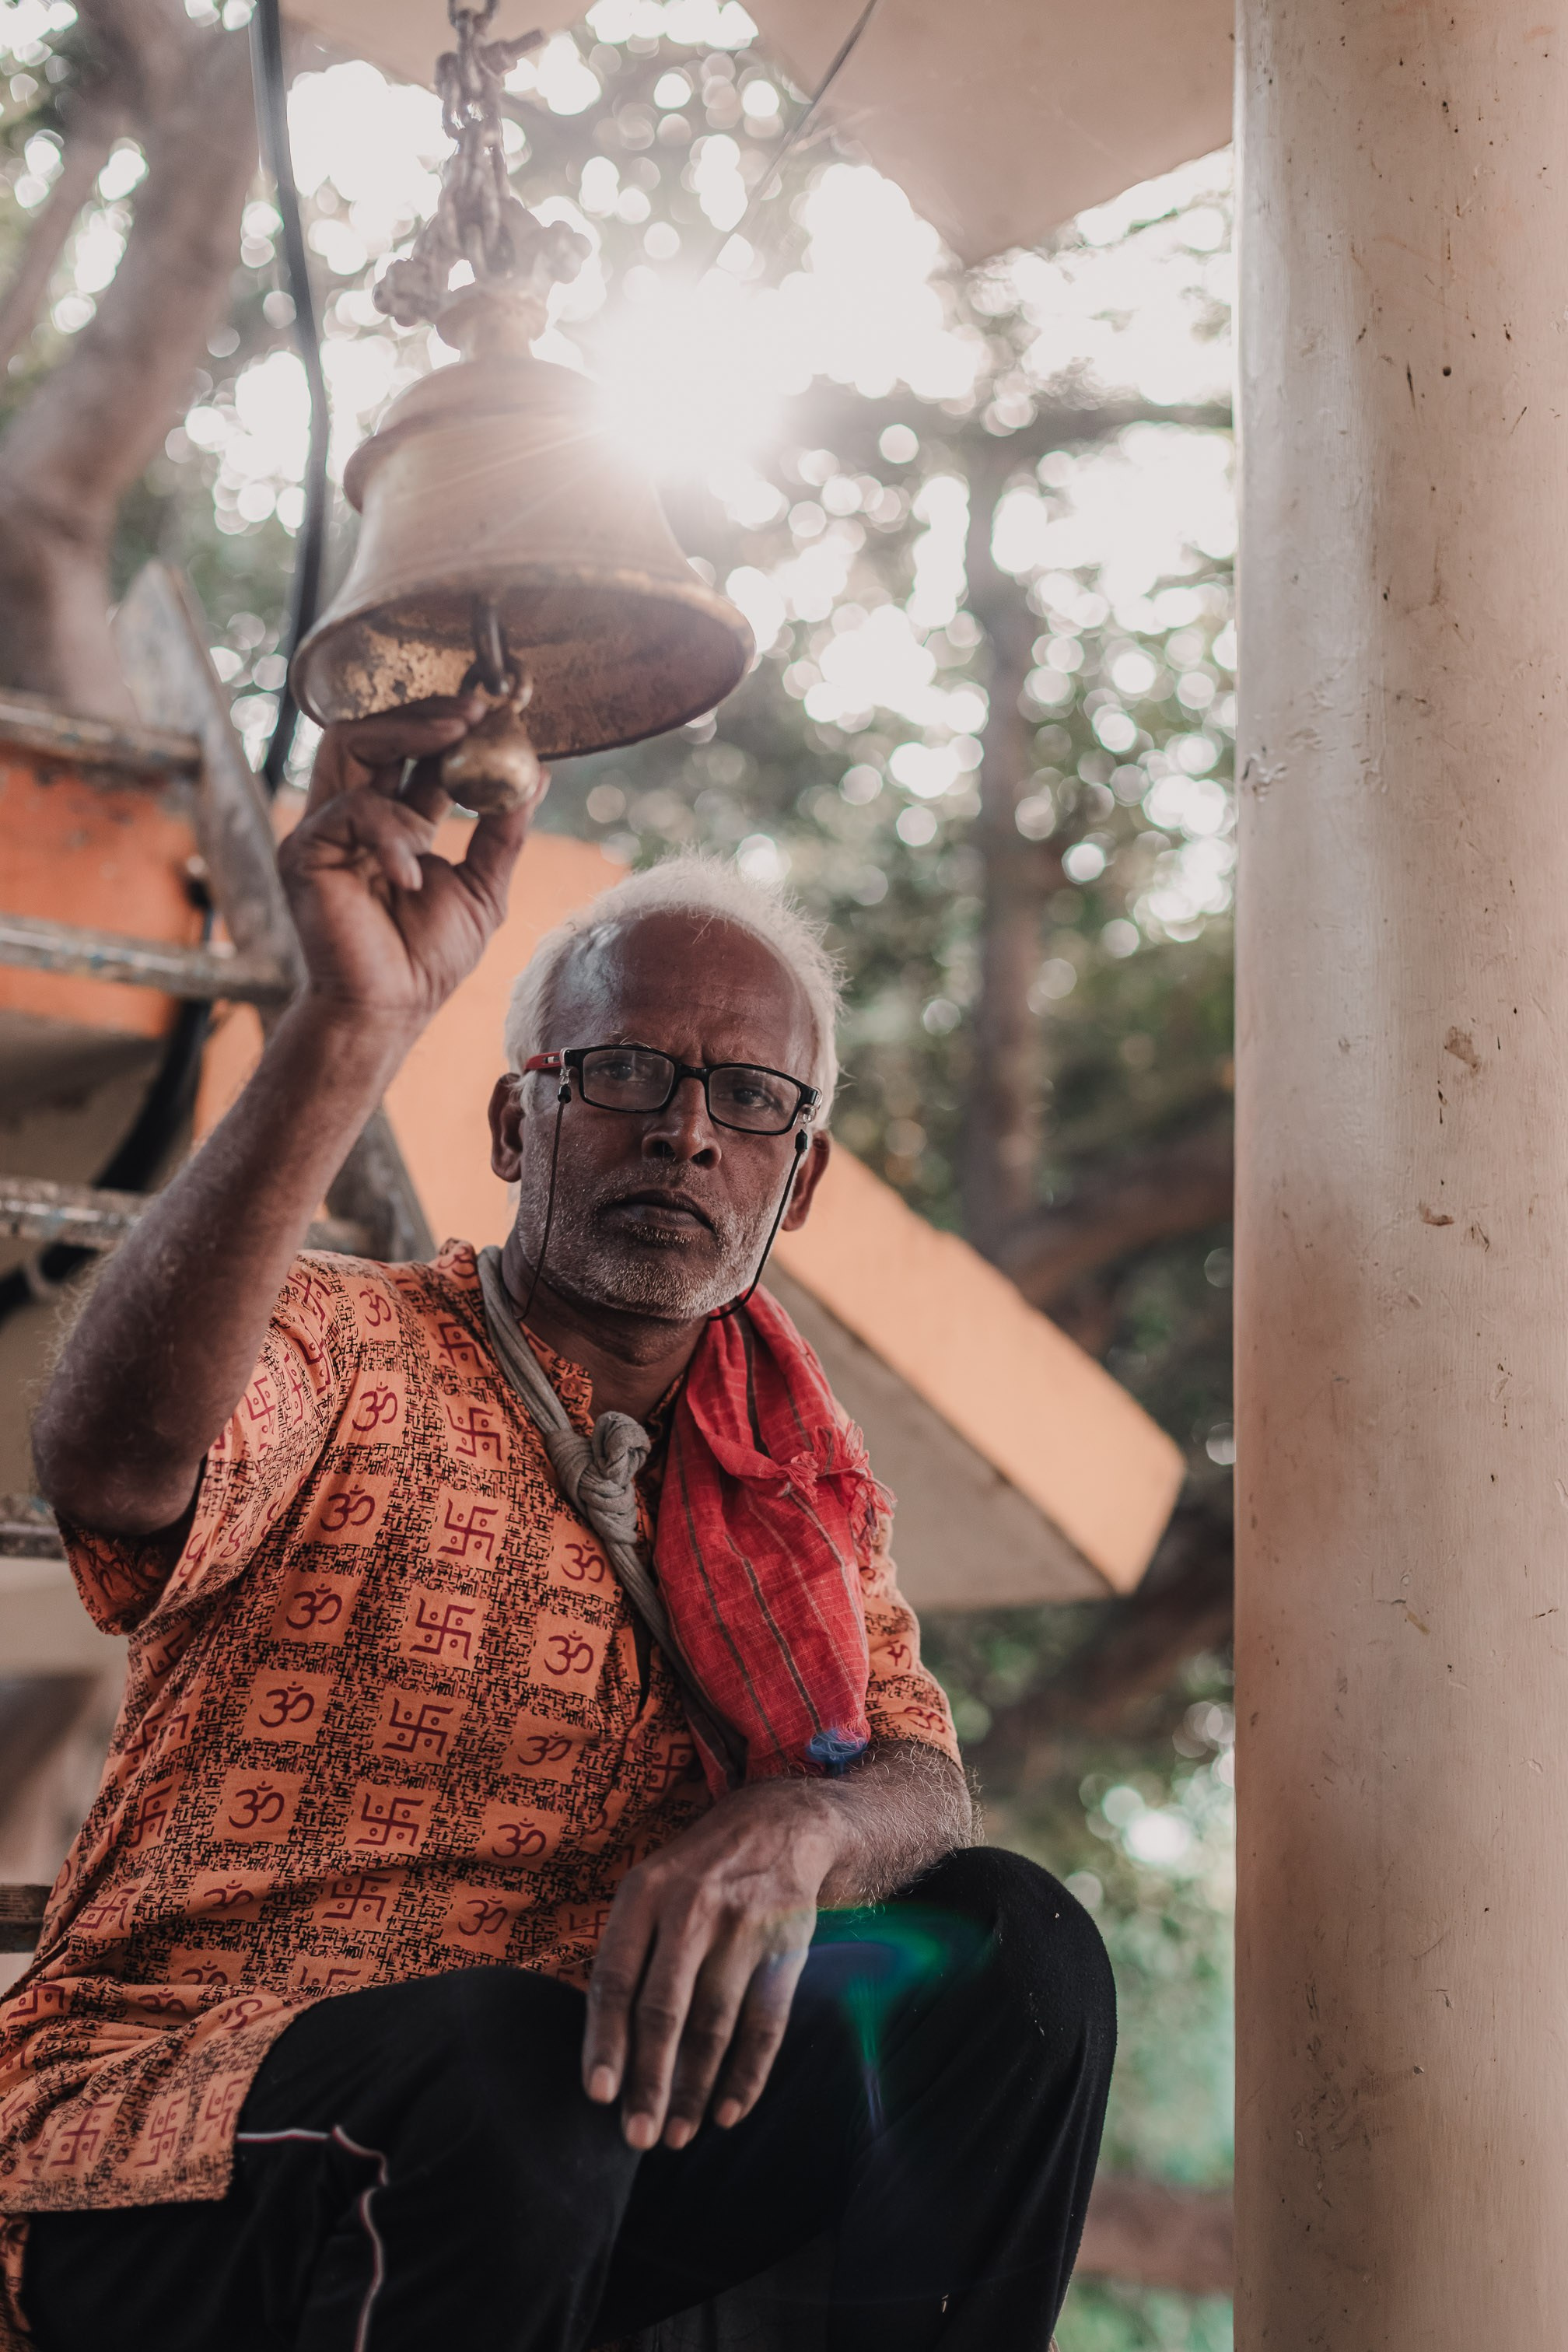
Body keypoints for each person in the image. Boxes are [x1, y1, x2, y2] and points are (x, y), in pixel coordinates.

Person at [0, 697, 1115, 2352]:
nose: (685, 1131)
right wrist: (341, 1029)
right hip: (179, 2138)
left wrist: (796, 1831)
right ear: (519, 1123)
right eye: (625, 1074)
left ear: (793, 1186)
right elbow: (112, 1471)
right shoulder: (343, 1342)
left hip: (576, 2138)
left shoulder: (789, 1478)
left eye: (750, 1100)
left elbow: (912, 1770)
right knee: (508, 2075)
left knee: (1016, 1958)